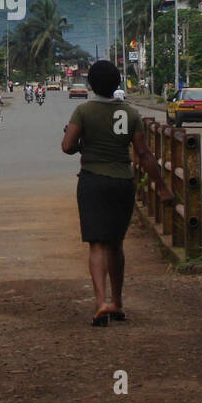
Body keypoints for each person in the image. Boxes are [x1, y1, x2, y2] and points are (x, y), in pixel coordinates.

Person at [61, 59, 174, 327]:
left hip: (92, 181)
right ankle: (118, 302)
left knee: (97, 244)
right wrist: (163, 188)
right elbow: (144, 154)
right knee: (116, 244)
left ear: (90, 85)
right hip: (122, 182)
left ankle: (101, 303)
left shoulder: (83, 112)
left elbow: (67, 146)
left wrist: (80, 145)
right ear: (117, 85)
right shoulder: (131, 113)